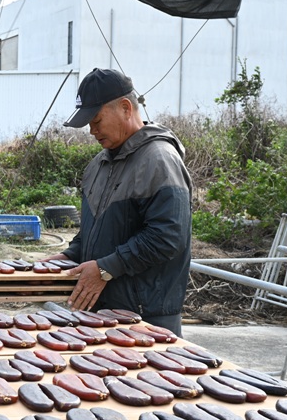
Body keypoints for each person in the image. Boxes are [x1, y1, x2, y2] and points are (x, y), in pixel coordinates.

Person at [46, 67, 192, 335]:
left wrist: (105, 268)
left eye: (96, 120)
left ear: (126, 108)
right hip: (99, 311)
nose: (92, 130)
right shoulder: (98, 165)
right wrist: (70, 254)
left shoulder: (159, 159)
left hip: (146, 316)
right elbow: (95, 232)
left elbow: (168, 236)